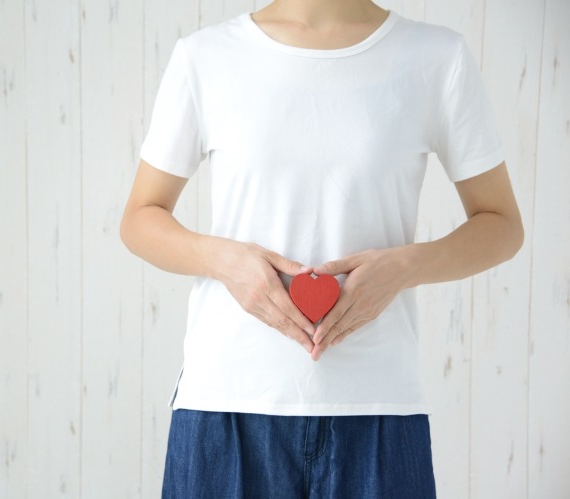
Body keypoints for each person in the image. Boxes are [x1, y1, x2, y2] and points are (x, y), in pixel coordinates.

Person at [119, 0, 524, 497]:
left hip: (377, 409)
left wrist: (402, 267)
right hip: (227, 406)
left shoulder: (437, 57)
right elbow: (141, 217)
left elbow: (501, 224)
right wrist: (225, 261)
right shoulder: (205, 56)